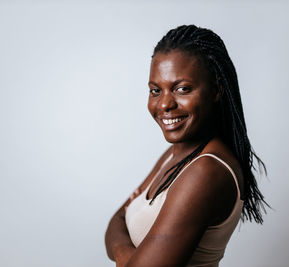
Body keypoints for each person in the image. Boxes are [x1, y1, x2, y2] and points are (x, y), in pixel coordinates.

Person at [105, 25, 268, 267]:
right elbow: (114, 222)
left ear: (216, 90)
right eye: (155, 91)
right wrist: (125, 252)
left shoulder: (206, 172)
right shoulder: (174, 156)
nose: (165, 104)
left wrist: (122, 247)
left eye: (182, 89)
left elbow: (120, 224)